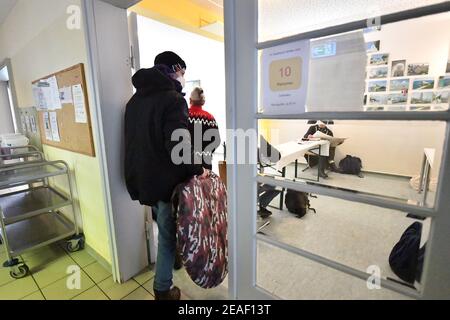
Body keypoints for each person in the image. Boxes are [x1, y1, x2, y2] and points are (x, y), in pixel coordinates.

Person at [125, 51, 207, 300]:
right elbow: (178, 146)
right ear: (175, 70)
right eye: (182, 73)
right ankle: (162, 289)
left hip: (142, 177)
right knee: (168, 235)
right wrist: (199, 169)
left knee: (164, 225)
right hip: (164, 181)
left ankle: (174, 262)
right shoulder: (173, 100)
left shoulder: (134, 101)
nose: (183, 78)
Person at [188, 87, 221, 170]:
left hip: (186, 163)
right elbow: (216, 141)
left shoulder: (183, 115)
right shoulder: (210, 118)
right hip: (205, 163)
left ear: (190, 100)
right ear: (203, 102)